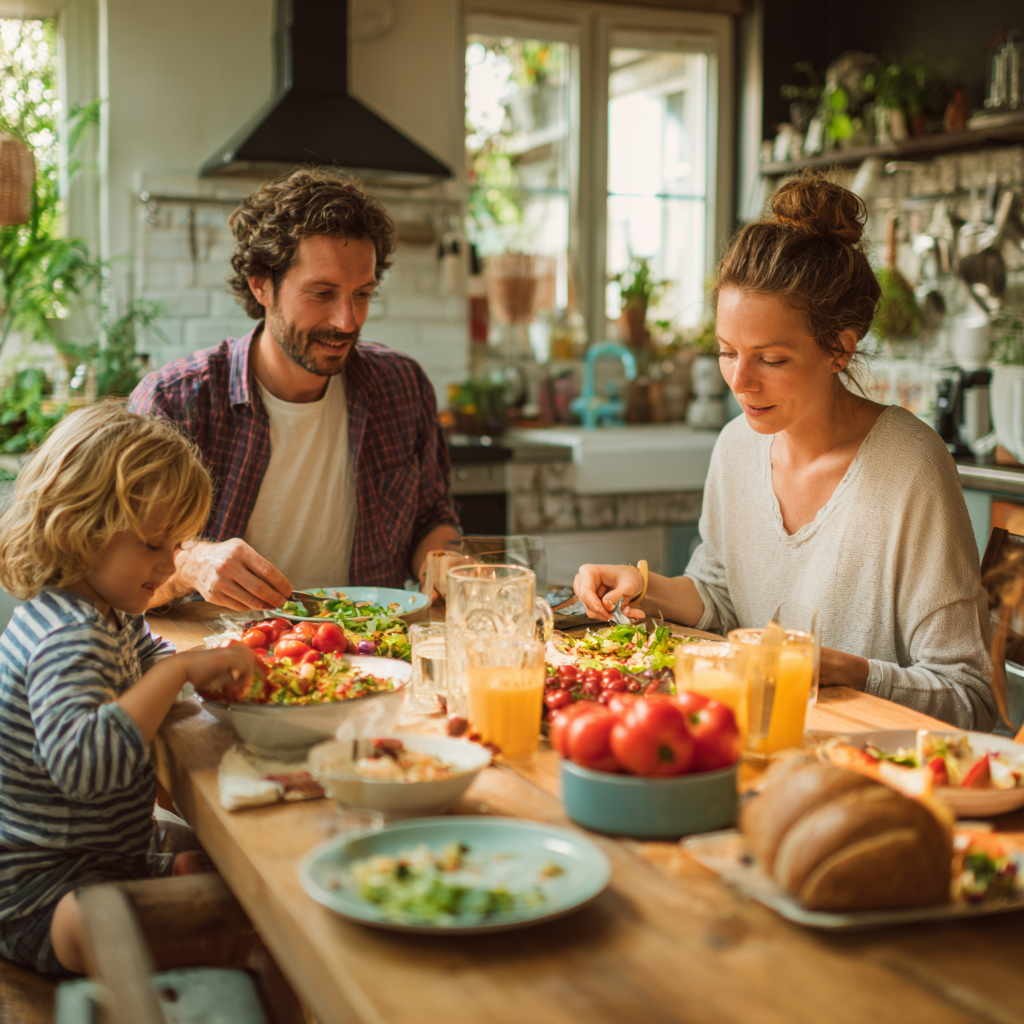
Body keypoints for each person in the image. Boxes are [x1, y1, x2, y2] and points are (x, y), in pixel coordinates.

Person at [575, 173, 997, 731]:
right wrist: (646, 587)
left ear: (840, 347)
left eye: (770, 359)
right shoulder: (735, 447)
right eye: (727, 353)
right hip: (753, 746)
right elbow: (724, 600)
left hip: (867, 775)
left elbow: (970, 696)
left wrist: (848, 670)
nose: (740, 382)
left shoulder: (910, 466)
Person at [0, 404, 260, 975]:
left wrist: (204, 668)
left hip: (107, 853)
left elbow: (150, 659)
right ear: (78, 529)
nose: (171, 564)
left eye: (177, 545)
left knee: (225, 867)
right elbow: (87, 770)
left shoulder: (105, 610)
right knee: (244, 913)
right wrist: (178, 676)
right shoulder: (68, 637)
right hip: (42, 891)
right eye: (153, 544)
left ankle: (163, 895)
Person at [129, 169, 461, 611]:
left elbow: (432, 518)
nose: (347, 321)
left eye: (362, 294)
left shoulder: (401, 386)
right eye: (322, 293)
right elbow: (111, 569)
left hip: (367, 651)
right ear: (261, 284)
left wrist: (441, 558)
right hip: (212, 657)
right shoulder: (175, 401)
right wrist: (193, 564)